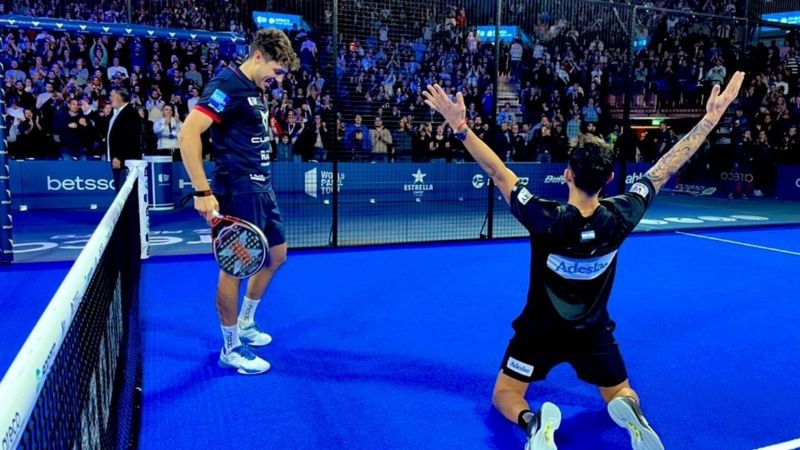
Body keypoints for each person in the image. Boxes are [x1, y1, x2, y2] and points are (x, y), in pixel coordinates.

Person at [422, 71, 745, 450]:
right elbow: (664, 169)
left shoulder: (546, 217)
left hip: (539, 331)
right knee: (621, 391)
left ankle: (533, 423)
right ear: (609, 178)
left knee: (506, 393)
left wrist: (460, 126)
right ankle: (631, 414)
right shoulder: (622, 214)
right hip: (593, 334)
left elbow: (498, 171)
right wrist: (709, 120)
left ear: (567, 175)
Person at [179, 28, 299, 375]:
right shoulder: (226, 85)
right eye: (276, 71)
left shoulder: (256, 89)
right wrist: (202, 191)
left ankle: (246, 322)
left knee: (276, 256)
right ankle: (230, 348)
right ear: (258, 56)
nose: (278, 79)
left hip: (263, 188)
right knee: (234, 269)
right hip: (237, 189)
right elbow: (189, 133)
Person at [107, 87, 142, 191]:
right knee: (120, 189)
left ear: (120, 97)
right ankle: (123, 208)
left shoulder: (130, 113)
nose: (110, 98)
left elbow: (130, 138)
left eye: (112, 96)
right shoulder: (118, 113)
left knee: (125, 190)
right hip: (119, 159)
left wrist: (119, 156)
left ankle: (128, 208)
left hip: (125, 160)